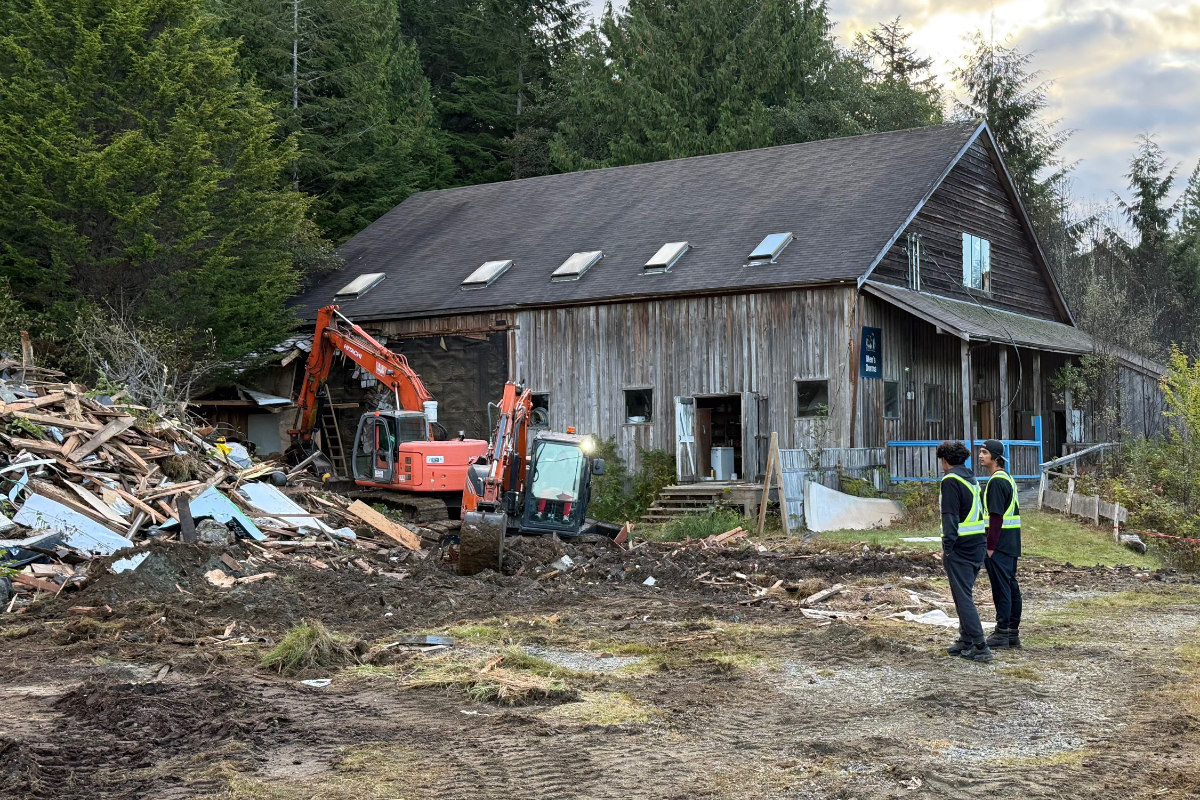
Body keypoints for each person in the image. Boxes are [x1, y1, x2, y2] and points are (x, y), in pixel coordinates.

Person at [937, 440, 993, 662]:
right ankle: (966, 639)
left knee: (963, 597)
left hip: (960, 546)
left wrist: (948, 547)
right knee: (964, 595)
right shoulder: (971, 478)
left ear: (945, 460)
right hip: (977, 543)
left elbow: (950, 515)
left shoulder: (950, 480)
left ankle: (980, 644)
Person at [978, 439, 1023, 649]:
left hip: (1000, 543)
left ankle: (1002, 632)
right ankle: (1012, 633)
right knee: (1011, 586)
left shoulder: (996, 481)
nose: (980, 455)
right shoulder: (1007, 478)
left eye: (985, 452)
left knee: (1001, 588)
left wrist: (990, 546)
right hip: (1011, 541)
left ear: (995, 457)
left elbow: (995, 517)